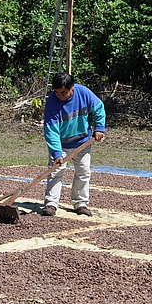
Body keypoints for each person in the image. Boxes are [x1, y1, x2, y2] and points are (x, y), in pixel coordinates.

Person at [41, 73, 106, 217]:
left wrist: (99, 128)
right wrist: (57, 153)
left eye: (63, 92)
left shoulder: (84, 93)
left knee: (83, 172)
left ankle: (80, 203)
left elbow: (99, 108)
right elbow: (51, 130)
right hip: (61, 144)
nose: (60, 95)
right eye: (57, 92)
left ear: (72, 88)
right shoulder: (52, 101)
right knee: (55, 172)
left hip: (82, 142)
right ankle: (51, 203)